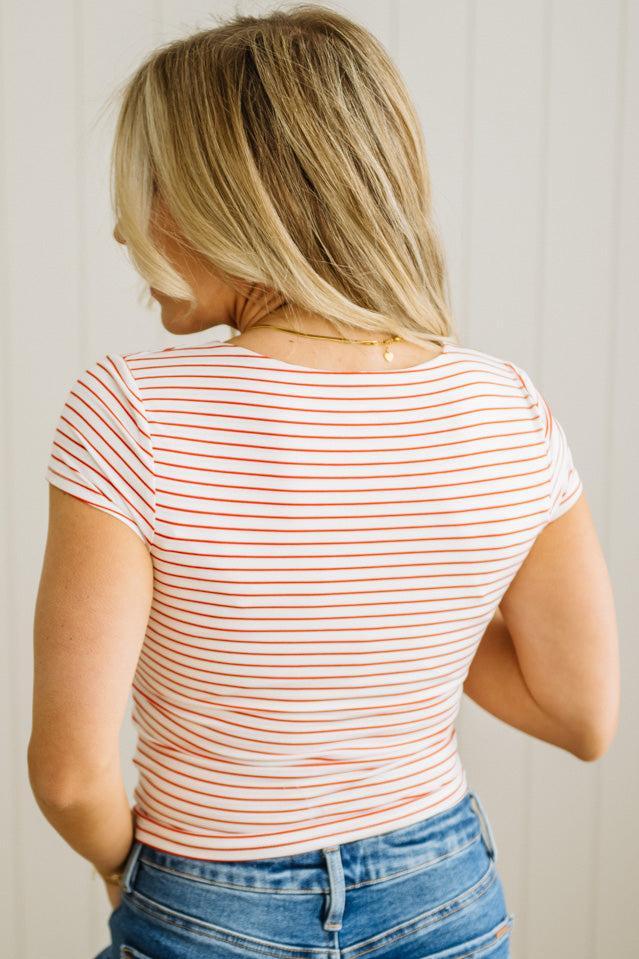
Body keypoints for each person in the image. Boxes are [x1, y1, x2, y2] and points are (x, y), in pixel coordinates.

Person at [30, 5, 619, 959]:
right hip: (445, 893)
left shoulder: (130, 406)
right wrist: (405, 602)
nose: (118, 227)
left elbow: (68, 775)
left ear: (236, 199)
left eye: (149, 189)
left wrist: (119, 869)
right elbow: (581, 712)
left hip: (208, 894)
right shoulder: (503, 404)